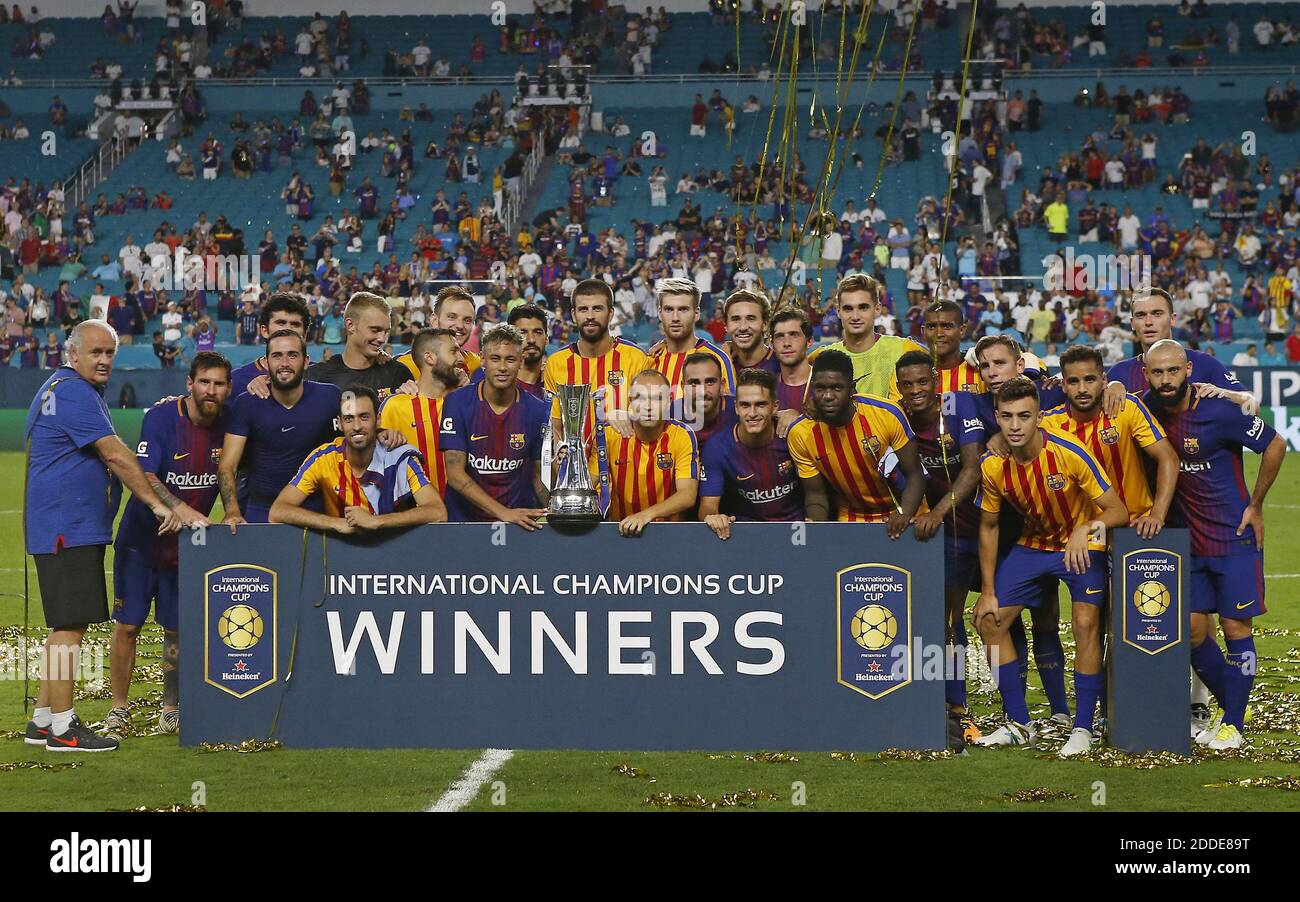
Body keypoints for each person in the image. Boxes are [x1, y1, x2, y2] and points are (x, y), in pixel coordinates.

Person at [23, 321, 198, 752]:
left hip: (59, 525)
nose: (103, 361)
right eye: (95, 353)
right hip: (69, 526)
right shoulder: (76, 393)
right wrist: (161, 505)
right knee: (70, 628)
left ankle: (43, 719)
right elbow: (117, 455)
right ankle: (63, 729)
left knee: (65, 625)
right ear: (74, 354)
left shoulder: (59, 387)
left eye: (109, 354)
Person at [973, 377, 1130, 757]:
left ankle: (1083, 728)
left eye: (1024, 416)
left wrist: (1084, 529)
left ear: (1039, 417)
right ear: (997, 416)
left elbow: (1118, 511)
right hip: (1034, 545)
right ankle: (1019, 724)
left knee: (1085, 624)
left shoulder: (1069, 453)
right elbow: (989, 527)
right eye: (1007, 417)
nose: (1014, 425)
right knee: (988, 621)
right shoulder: (993, 466)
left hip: (1081, 547)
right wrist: (989, 590)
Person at [1145, 340, 1287, 750]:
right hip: (1187, 542)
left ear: (1188, 369)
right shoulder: (1147, 410)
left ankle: (1234, 726)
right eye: (1158, 373)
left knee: (1235, 626)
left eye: (1173, 371)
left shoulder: (1219, 410)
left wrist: (1256, 505)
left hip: (1233, 537)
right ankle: (1233, 706)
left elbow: (1274, 444)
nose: (1166, 380)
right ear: (1148, 375)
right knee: (1190, 631)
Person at [107, 352, 232, 737]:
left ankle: (170, 708)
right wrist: (176, 507)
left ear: (228, 388)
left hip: (187, 550)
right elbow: (145, 474)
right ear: (189, 383)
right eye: (204, 382)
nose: (210, 390)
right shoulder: (161, 417)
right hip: (141, 543)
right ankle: (118, 709)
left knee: (176, 631)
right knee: (128, 626)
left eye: (219, 383)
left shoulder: (231, 424)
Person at [894, 350, 984, 747]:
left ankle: (958, 708)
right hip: (932, 536)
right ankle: (945, 703)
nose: (916, 391)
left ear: (935, 380)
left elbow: (972, 467)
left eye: (922, 382)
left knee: (955, 619)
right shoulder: (896, 416)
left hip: (972, 527)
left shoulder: (958, 405)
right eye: (907, 384)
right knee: (940, 617)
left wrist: (938, 511)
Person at [272, 385, 447, 532]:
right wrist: (335, 523)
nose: (356, 426)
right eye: (349, 419)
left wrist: (377, 522)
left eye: (364, 417)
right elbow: (278, 511)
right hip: (341, 553)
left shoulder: (398, 457)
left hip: (396, 550)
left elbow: (438, 512)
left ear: (378, 420)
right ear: (339, 423)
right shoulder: (323, 458)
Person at [787, 349, 925, 532]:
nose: (828, 396)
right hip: (853, 514)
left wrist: (904, 514)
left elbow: (915, 474)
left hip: (904, 507)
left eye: (837, 388)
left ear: (852, 388)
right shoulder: (800, 434)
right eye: (820, 388)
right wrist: (816, 527)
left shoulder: (886, 414)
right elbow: (816, 495)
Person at [219, 331, 342, 524]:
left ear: (306, 361)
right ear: (266, 363)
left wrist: (385, 432)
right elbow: (227, 465)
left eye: (292, 355)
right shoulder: (247, 403)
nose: (284, 363)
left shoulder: (330, 397)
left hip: (316, 512)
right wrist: (232, 511)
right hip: (261, 512)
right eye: (277, 356)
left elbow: (357, 435)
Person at [441, 324, 550, 527]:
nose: (502, 367)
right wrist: (503, 513)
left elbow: (538, 476)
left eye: (510, 359)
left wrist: (555, 511)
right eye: (495, 358)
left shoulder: (538, 410)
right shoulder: (457, 402)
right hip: (466, 522)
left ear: (520, 361)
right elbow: (455, 474)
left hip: (518, 523)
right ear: (482, 359)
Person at [593, 368, 700, 536]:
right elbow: (587, 484)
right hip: (617, 533)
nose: (648, 407)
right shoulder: (608, 434)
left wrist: (645, 515)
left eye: (657, 398)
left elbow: (687, 495)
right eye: (640, 398)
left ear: (669, 401)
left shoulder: (682, 435)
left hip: (669, 535)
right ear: (630, 401)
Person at [700, 367, 803, 540]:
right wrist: (713, 517)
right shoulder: (718, 447)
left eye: (761, 404)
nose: (752, 413)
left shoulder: (793, 436)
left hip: (797, 530)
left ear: (774, 406)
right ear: (737, 408)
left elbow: (817, 492)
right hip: (744, 534)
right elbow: (707, 506)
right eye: (745, 405)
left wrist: (816, 524)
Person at [544, 279, 650, 436]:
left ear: (610, 313)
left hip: (626, 459)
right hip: (576, 459)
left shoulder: (636, 358)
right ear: (574, 314)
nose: (590, 316)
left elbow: (648, 421)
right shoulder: (556, 363)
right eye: (583, 309)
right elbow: (556, 428)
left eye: (597, 309)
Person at [378, 327, 464, 496]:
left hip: (462, 515)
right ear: (429, 357)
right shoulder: (395, 406)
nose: (460, 358)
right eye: (453, 351)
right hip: (412, 515)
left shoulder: (464, 403)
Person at [811, 274, 926, 398]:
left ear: (877, 309)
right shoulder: (823, 357)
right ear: (838, 311)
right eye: (848, 309)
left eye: (863, 307)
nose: (855, 317)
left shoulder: (904, 348)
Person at [305, 291, 412, 398]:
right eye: (375, 330)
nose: (382, 339)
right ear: (350, 325)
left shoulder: (398, 374)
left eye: (386, 332)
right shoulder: (316, 377)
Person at [647, 276, 734, 394]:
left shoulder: (718, 359)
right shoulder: (650, 361)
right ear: (659, 313)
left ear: (696, 313)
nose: (675, 318)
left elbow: (729, 409)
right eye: (669, 309)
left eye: (683, 309)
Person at [229, 292, 311, 396]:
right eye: (281, 323)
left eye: (295, 324)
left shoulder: (320, 375)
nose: (288, 329)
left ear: (305, 334)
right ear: (264, 331)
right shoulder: (237, 380)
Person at [396, 285, 481, 382]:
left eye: (467, 320)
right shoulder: (403, 365)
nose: (460, 326)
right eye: (451, 317)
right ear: (435, 320)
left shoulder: (477, 364)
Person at [923, 299, 984, 397]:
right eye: (931, 327)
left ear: (962, 330)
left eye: (947, 326)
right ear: (923, 331)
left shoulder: (982, 369)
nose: (938, 334)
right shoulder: (911, 374)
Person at [681, 352, 736, 447]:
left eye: (710, 382)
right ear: (683, 387)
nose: (703, 392)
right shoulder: (670, 417)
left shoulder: (741, 412)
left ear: (722, 385)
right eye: (694, 383)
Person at [722, 288, 780, 373]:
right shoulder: (716, 366)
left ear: (765, 324)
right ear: (726, 326)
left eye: (751, 319)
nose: (743, 327)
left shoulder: (782, 364)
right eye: (735, 319)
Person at [770, 307, 813, 419]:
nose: (786, 343)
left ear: (809, 341)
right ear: (772, 344)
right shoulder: (766, 388)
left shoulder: (828, 384)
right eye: (780, 336)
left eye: (794, 335)